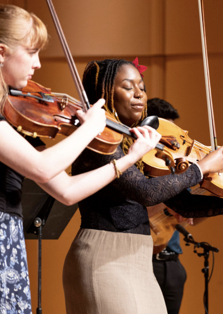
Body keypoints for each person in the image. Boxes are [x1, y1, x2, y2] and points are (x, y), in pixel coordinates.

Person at [62, 58, 223, 314]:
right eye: (128, 87)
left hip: (138, 260)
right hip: (104, 256)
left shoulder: (135, 144)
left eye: (142, 86)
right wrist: (199, 169)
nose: (139, 94)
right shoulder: (100, 141)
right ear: (105, 93)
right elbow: (145, 193)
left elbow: (184, 204)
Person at [0, 5, 160, 313]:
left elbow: (67, 190)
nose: (37, 64)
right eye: (31, 52)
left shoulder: (15, 118)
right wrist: (89, 130)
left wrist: (128, 159)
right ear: (2, 52)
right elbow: (43, 168)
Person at [146, 97, 197, 314]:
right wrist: (169, 204)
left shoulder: (178, 171)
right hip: (145, 261)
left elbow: (193, 219)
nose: (173, 142)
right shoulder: (139, 167)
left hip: (173, 262)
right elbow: (140, 209)